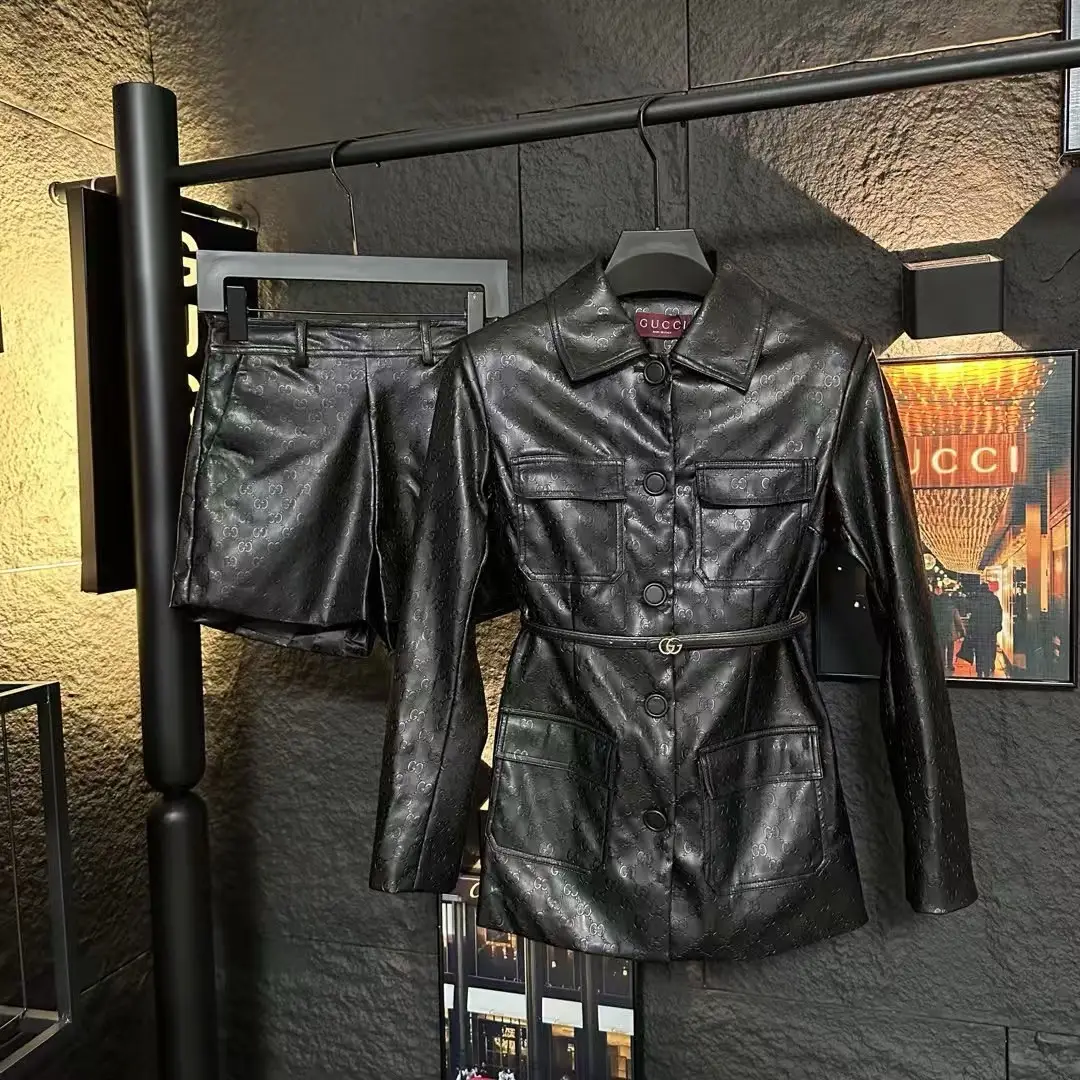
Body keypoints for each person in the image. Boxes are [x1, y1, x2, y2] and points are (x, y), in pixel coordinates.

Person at [966, 582, 1003, 678]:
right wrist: (997, 626)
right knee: (990, 649)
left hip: (978, 631)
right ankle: (989, 667)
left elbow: (973, 616)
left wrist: (970, 630)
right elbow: (999, 613)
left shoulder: (976, 600)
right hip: (990, 630)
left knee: (979, 651)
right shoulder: (994, 599)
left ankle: (979, 670)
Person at [930, 584, 963, 673]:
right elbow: (957, 620)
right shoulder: (952, 607)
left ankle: (942, 664)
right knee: (950, 649)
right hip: (950, 631)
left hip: (940, 631)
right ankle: (950, 665)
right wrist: (962, 631)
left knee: (941, 648)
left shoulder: (935, 607)